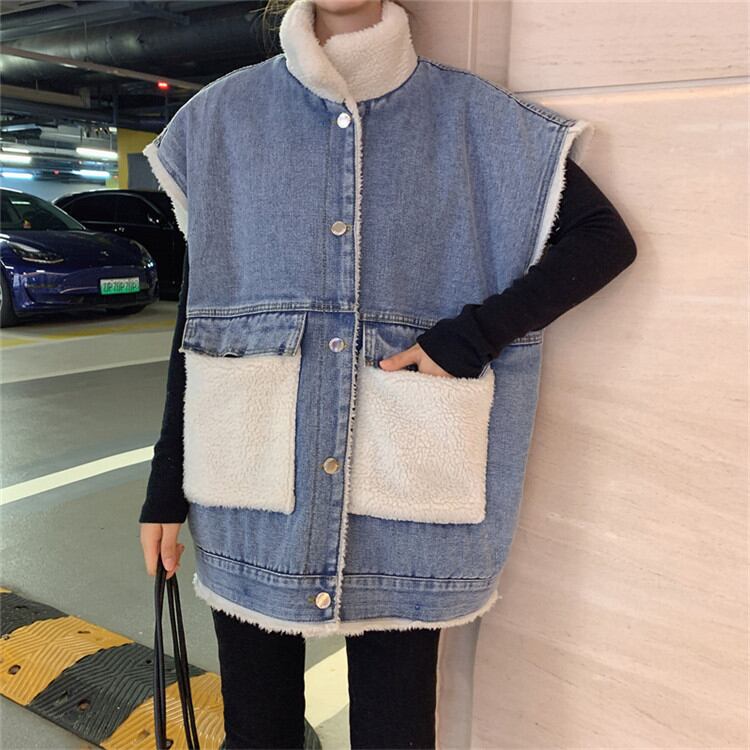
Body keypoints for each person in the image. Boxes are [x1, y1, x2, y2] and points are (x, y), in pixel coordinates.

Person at [139, 1, 637, 747]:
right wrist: (164, 486)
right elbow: (206, 318)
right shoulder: (219, 121)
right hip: (250, 481)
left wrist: (470, 337)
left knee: (396, 732)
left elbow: (604, 240)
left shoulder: (478, 121)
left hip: (406, 483)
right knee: (257, 732)